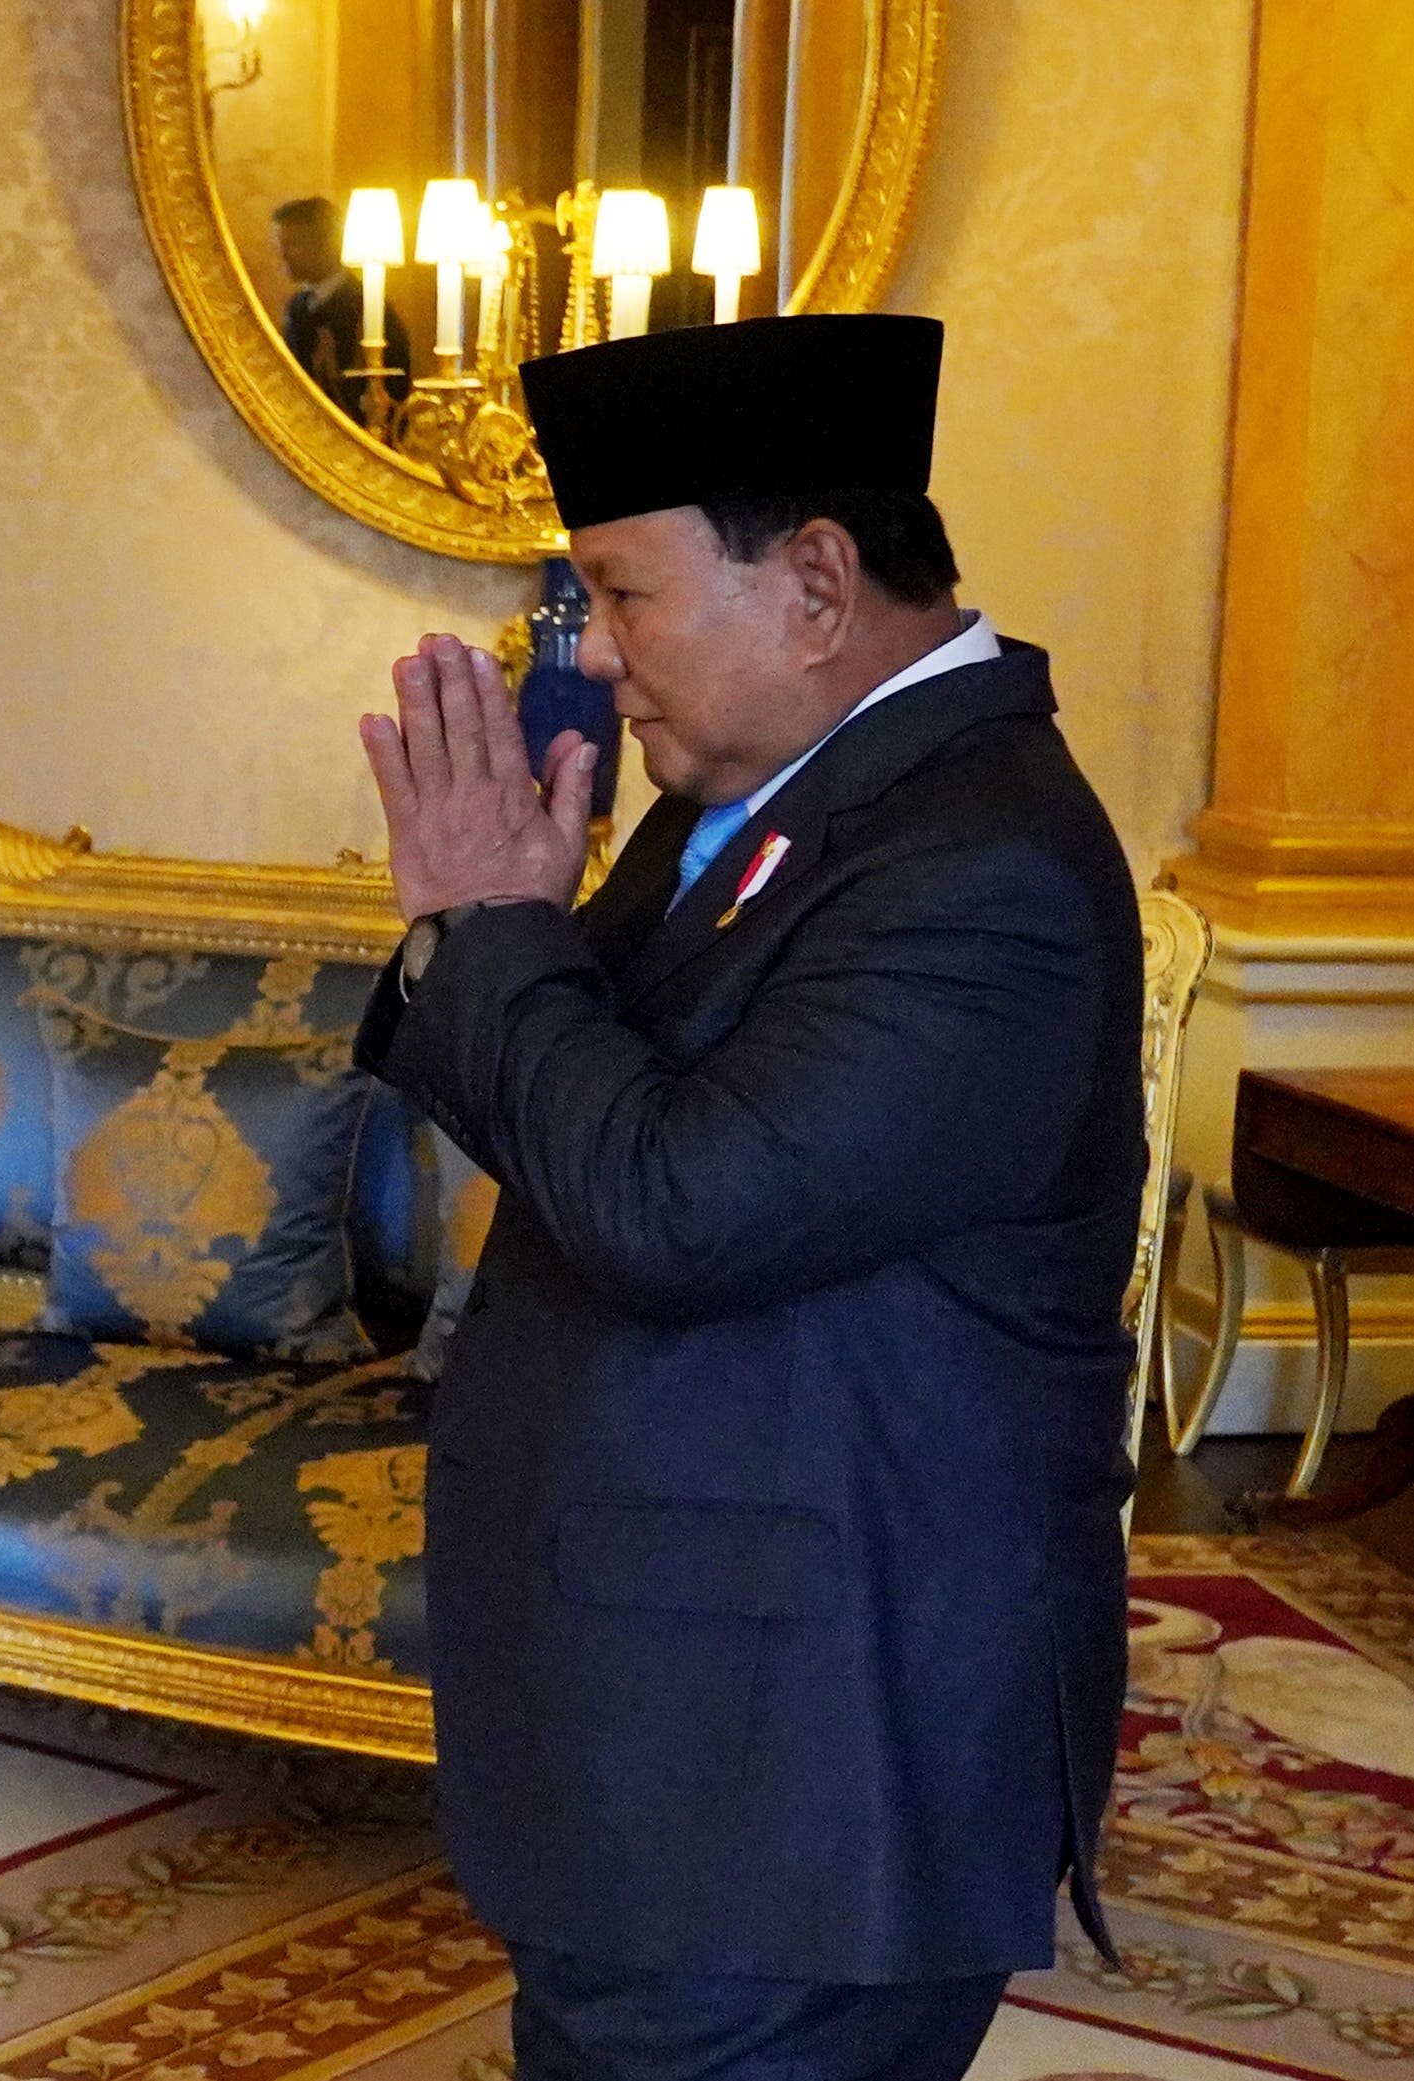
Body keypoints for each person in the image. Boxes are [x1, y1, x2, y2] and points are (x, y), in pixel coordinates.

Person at [351, 314, 1141, 2081]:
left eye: (621, 598)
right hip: (690, 1732)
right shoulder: (774, 793)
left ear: (812, 583)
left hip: (800, 1783)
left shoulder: (978, 865)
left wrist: (499, 932)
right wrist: (495, 931)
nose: (599, 661)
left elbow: (673, 1209)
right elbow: (579, 1123)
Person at [272, 195, 411, 423]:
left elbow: (393, 389)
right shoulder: (297, 307)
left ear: (328, 244)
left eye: (294, 244)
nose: (282, 255)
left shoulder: (366, 308)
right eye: (280, 244)